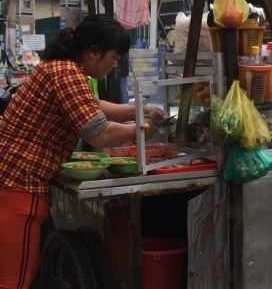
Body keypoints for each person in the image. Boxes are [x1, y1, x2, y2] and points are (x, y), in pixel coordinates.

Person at [0, 15, 165, 289]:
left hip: (10, 179)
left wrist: (139, 110)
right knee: (14, 281)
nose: (114, 66)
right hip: (18, 185)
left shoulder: (60, 68)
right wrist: (142, 128)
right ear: (93, 52)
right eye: (113, 58)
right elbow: (100, 134)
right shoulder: (66, 73)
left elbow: (92, 105)